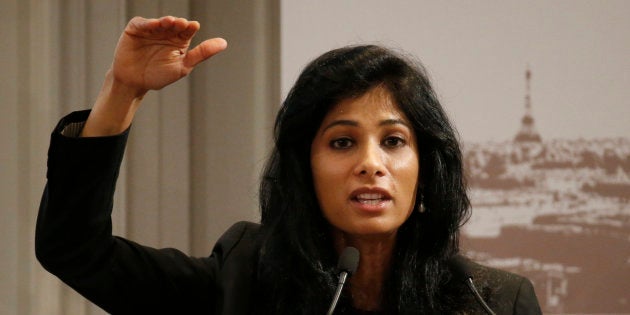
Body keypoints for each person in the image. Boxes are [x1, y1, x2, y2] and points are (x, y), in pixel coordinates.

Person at [35, 16, 542, 314]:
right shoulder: (242, 280)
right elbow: (75, 250)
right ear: (305, 168)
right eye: (342, 143)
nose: (372, 164)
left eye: (393, 141)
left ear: (426, 167)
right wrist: (124, 91)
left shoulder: (493, 302)